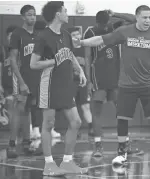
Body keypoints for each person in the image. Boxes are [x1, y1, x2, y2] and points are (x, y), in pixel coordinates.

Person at [76, 5, 150, 165]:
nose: (148, 20)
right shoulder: (124, 32)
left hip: (149, 85)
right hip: (127, 86)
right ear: (137, 17)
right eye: (144, 17)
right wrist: (82, 42)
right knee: (122, 119)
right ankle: (121, 153)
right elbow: (101, 40)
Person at [30, 1, 87, 176]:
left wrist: (80, 70)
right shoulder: (43, 37)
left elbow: (69, 54)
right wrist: (53, 61)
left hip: (65, 84)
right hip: (49, 84)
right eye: (65, 11)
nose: (67, 13)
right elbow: (33, 64)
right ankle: (49, 165)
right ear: (57, 14)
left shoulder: (66, 34)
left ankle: (67, 161)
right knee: (48, 124)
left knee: (76, 122)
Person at [83, 10, 142, 157]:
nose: (107, 25)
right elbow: (87, 58)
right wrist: (89, 81)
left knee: (122, 112)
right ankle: (98, 146)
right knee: (97, 112)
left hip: (115, 76)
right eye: (105, 23)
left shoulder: (113, 28)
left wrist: (116, 13)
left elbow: (135, 20)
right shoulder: (90, 32)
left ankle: (124, 144)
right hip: (99, 77)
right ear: (99, 23)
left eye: (108, 22)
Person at [8, 5, 42, 159]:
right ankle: (12, 145)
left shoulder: (37, 34)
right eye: (29, 15)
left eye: (34, 15)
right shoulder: (17, 34)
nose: (32, 17)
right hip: (21, 78)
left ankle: (27, 144)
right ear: (23, 17)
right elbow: (13, 59)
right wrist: (21, 82)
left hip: (35, 78)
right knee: (18, 110)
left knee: (28, 110)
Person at [30, 20, 61, 139]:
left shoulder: (50, 41)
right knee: (36, 104)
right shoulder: (34, 42)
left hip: (49, 75)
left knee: (50, 104)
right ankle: (35, 128)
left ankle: (50, 128)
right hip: (34, 76)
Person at [68, 27, 94, 137]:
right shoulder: (68, 49)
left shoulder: (85, 49)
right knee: (72, 107)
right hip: (70, 82)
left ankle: (92, 127)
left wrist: (90, 81)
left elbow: (90, 65)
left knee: (85, 106)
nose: (77, 36)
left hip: (83, 82)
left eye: (78, 34)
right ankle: (74, 129)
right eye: (73, 35)